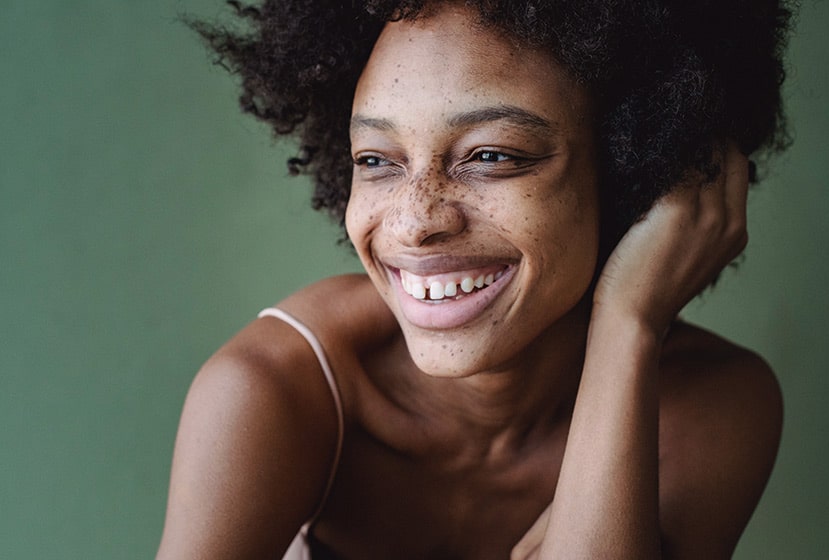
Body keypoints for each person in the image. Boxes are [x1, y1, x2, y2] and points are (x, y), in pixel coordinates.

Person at [157, 1, 793, 558]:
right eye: (376, 160)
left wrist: (628, 322)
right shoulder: (273, 391)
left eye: (492, 155)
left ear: (639, 174)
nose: (414, 222)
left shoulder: (710, 405)